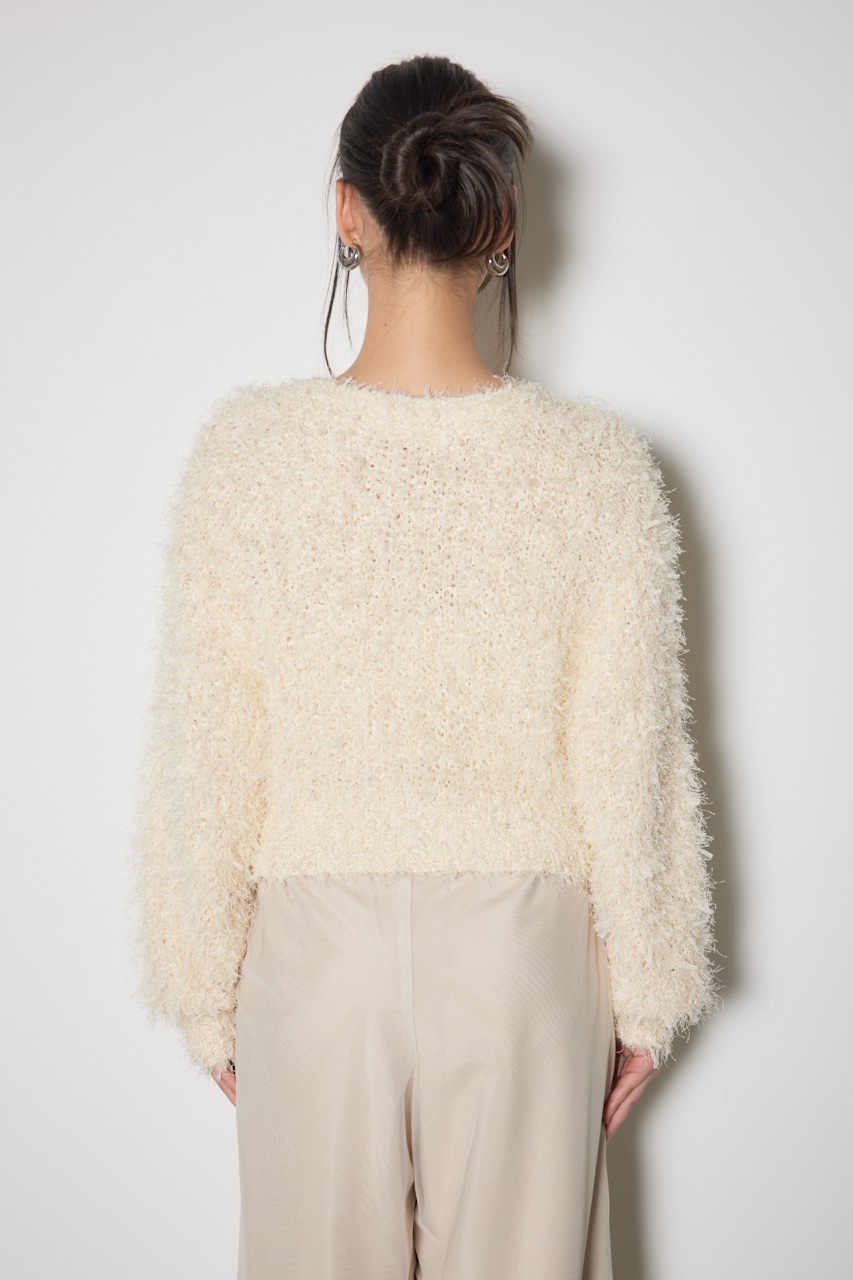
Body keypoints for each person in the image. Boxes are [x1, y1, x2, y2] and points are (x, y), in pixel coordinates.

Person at [130, 52, 721, 1280]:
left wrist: (201, 986)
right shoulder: (597, 470)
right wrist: (648, 991)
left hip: (314, 957)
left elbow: (206, 746)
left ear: (346, 209)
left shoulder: (246, 459)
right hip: (524, 958)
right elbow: (630, 755)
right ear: (498, 223)